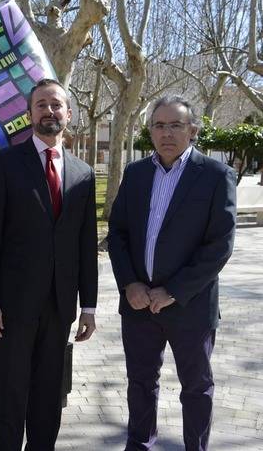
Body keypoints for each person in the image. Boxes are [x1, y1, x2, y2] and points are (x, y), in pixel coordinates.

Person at [0, 78, 99, 450]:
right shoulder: (4, 164)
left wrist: (88, 305)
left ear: (69, 114)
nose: (49, 111)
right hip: (12, 306)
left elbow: (85, 244)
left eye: (56, 105)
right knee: (9, 395)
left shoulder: (83, 173)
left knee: (48, 396)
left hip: (60, 306)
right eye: (41, 104)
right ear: (29, 114)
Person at [107, 96, 237, 451]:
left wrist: (173, 291)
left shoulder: (215, 176)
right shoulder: (135, 174)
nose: (166, 133)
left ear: (193, 130)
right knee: (140, 383)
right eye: (159, 125)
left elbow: (219, 245)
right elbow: (116, 233)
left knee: (196, 388)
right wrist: (129, 283)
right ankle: (139, 446)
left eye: (175, 125)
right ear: (149, 131)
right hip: (138, 305)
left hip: (189, 306)